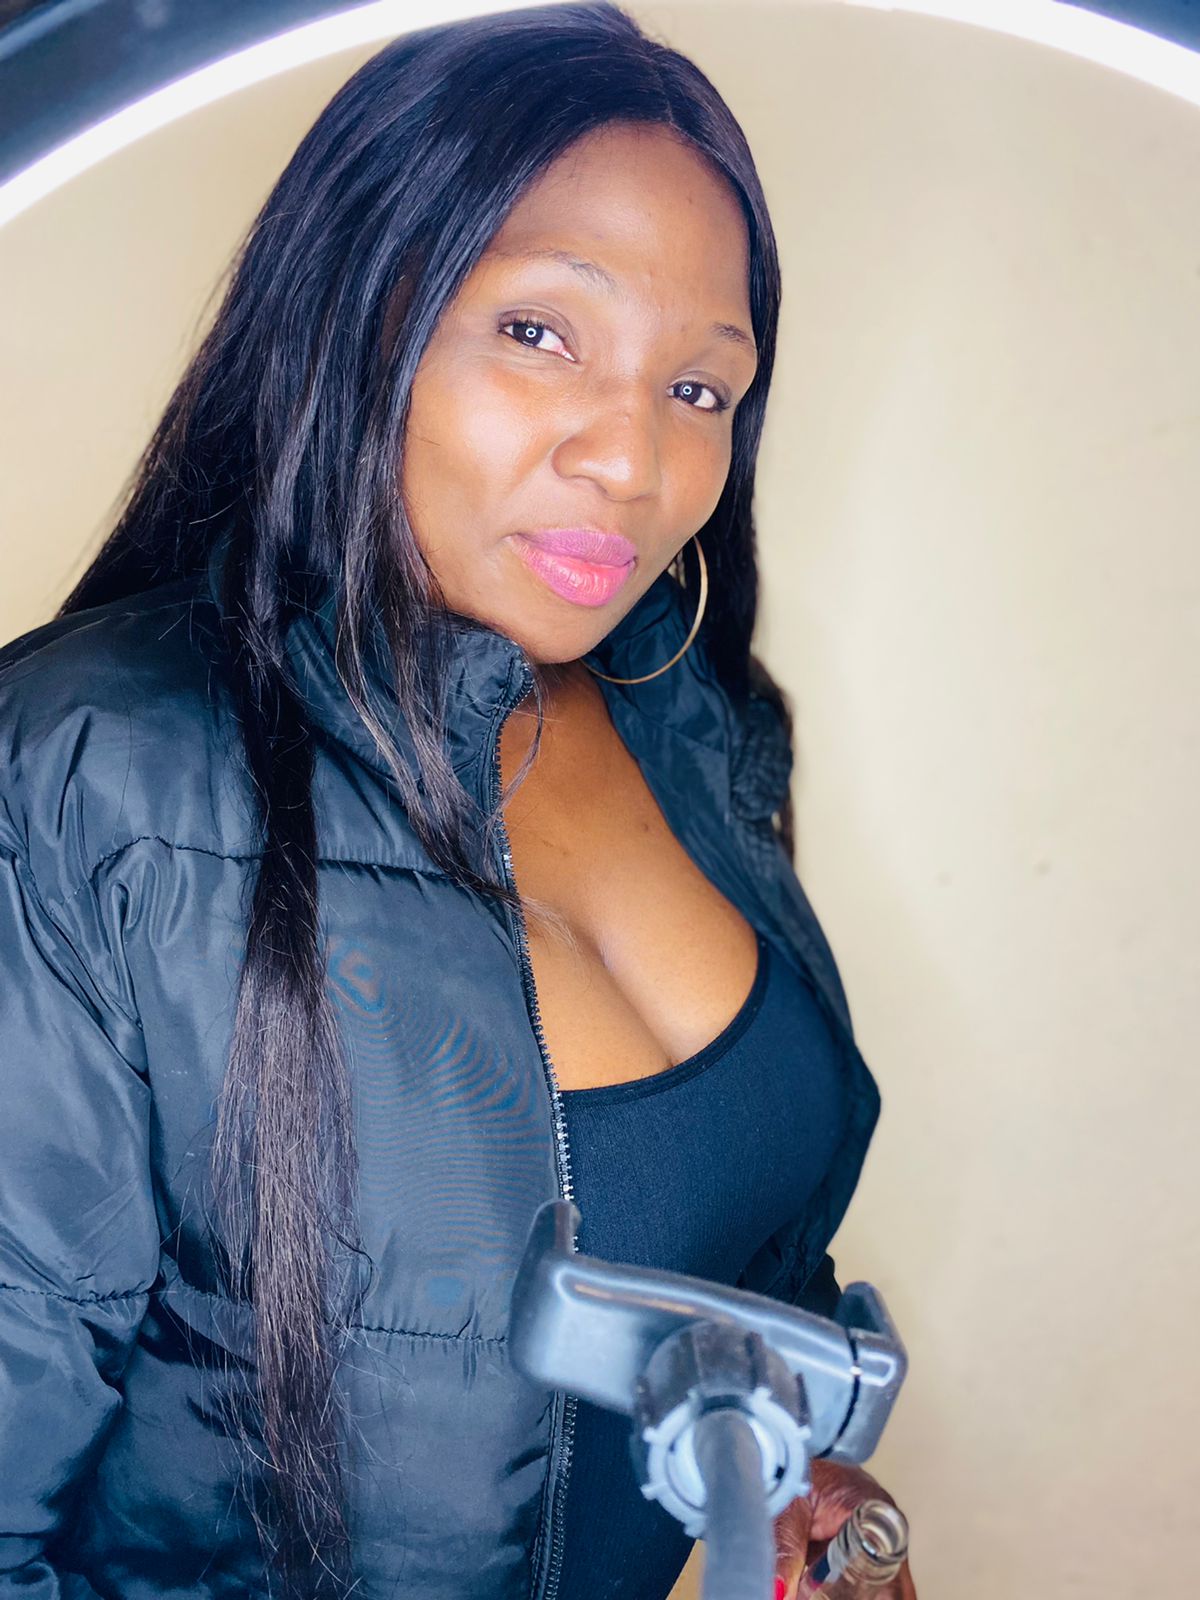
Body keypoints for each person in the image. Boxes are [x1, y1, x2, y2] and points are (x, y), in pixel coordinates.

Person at [0, 4, 916, 1597]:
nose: (632, 460)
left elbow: (732, 1244)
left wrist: (782, 1484)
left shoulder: (692, 719)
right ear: (358, 313)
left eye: (702, 389)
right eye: (541, 332)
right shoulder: (87, 774)